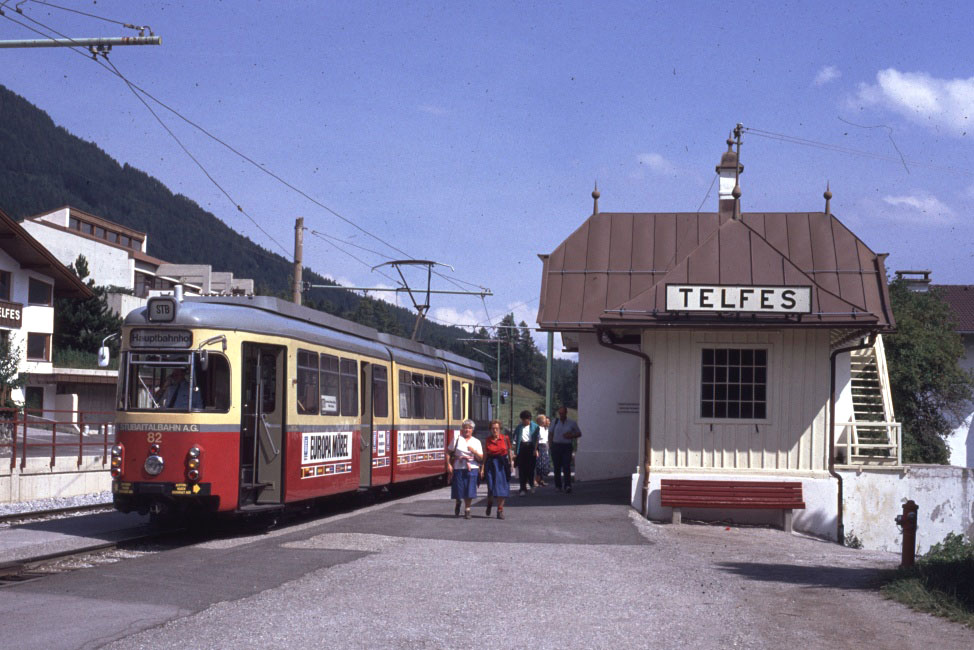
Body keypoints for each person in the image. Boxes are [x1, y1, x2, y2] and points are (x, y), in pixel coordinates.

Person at [446, 419, 483, 519]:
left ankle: (467, 509)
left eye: (469, 428)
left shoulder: (476, 442)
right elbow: (448, 452)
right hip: (458, 467)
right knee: (458, 489)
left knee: (470, 489)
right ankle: (458, 501)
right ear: (462, 429)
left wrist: (474, 451)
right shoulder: (457, 439)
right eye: (465, 428)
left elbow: (481, 458)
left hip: (472, 467)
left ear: (472, 430)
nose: (467, 430)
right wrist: (448, 464)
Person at [483, 419, 513, 519]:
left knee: (501, 488)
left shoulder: (505, 438)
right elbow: (485, 454)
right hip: (490, 464)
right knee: (491, 488)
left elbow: (509, 451)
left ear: (500, 429)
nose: (495, 430)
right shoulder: (488, 440)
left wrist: (511, 464)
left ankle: (500, 510)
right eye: (493, 429)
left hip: (502, 464)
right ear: (490, 429)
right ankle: (490, 502)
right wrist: (482, 468)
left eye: (496, 428)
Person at [549, 406, 581, 493]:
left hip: (567, 446)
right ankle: (558, 486)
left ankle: (567, 485)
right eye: (560, 413)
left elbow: (579, 433)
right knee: (557, 467)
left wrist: (571, 436)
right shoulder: (555, 422)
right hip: (556, 446)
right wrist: (551, 445)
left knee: (566, 466)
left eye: (563, 413)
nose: (561, 415)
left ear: (566, 413)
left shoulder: (572, 423)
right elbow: (550, 433)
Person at [512, 409, 539, 496]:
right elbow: (515, 440)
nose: (523, 421)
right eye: (522, 419)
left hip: (531, 447)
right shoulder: (519, 428)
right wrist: (515, 452)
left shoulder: (535, 427)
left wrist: (536, 450)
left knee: (531, 468)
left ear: (529, 418)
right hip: (522, 447)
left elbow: (537, 439)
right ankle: (522, 488)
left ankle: (531, 485)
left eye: (525, 419)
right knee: (522, 469)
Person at [534, 414, 551, 487]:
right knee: (539, 465)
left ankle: (541, 480)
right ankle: (536, 480)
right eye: (544, 420)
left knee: (544, 464)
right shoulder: (538, 429)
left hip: (544, 447)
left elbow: (546, 440)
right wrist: (536, 449)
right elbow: (537, 440)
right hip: (540, 447)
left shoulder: (546, 429)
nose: (547, 422)